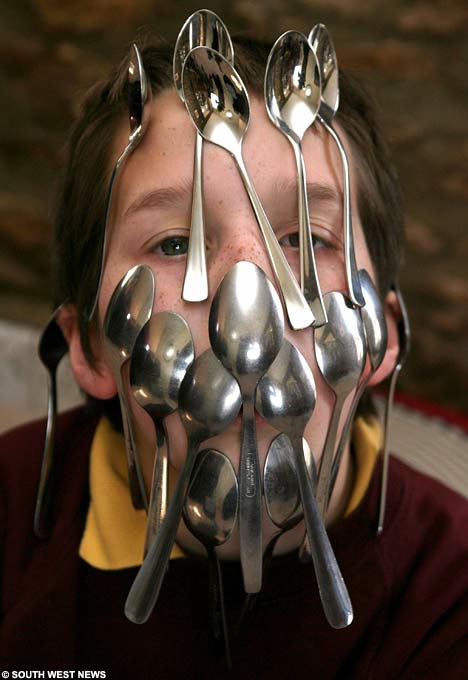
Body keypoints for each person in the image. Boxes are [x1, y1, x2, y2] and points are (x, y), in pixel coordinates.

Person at [1, 27, 468, 679]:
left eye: (306, 237)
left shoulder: (452, 592)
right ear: (89, 347)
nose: (251, 290)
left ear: (382, 336)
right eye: (172, 243)